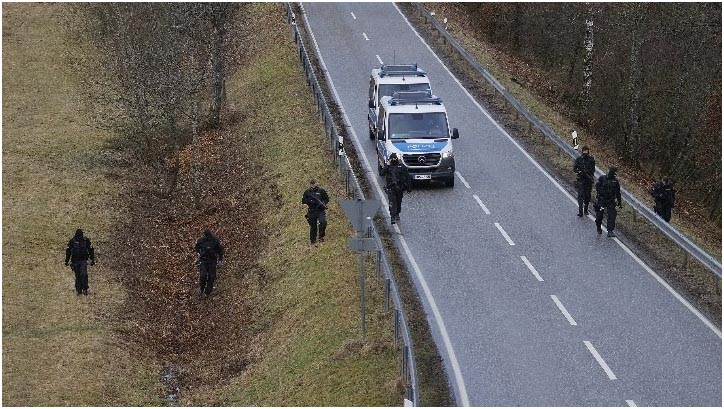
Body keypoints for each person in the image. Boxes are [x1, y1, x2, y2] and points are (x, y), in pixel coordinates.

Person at [380, 153, 412, 224]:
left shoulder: (402, 166)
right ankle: (393, 217)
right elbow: (381, 173)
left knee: (398, 202)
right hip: (391, 188)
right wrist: (387, 166)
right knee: (392, 203)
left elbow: (407, 177)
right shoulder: (388, 167)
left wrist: (409, 187)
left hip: (400, 188)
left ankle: (397, 214)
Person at [64, 229, 95, 295]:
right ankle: (79, 290)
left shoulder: (86, 240)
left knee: (83, 274)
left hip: (83, 260)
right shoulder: (73, 241)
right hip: (75, 261)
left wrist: (92, 259)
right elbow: (68, 251)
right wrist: (66, 261)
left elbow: (91, 250)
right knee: (78, 276)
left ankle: (85, 289)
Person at [195, 229, 224, 296]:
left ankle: (208, 291)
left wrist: (220, 260)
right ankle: (201, 289)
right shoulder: (200, 240)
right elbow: (196, 247)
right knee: (203, 276)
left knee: (211, 277)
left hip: (212, 260)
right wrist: (198, 253)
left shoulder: (215, 240)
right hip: (203, 260)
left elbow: (220, 250)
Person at [594, 167, 623, 237]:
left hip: (610, 201)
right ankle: (598, 227)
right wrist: (599, 194)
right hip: (602, 200)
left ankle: (610, 231)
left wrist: (619, 202)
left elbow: (618, 193)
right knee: (599, 215)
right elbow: (597, 186)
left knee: (612, 215)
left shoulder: (615, 182)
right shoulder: (602, 178)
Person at [301, 178, 329, 245]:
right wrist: (310, 201)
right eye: (315, 183)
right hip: (312, 211)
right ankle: (313, 240)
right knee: (313, 226)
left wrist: (323, 203)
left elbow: (326, 199)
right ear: (311, 184)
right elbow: (303, 201)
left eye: (317, 183)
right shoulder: (307, 192)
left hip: (320, 210)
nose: (317, 184)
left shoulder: (321, 191)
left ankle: (321, 237)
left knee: (323, 222)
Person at [573, 145, 596, 217]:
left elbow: (593, 170)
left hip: (588, 181)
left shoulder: (591, 160)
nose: (585, 152)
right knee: (580, 195)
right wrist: (579, 172)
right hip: (581, 180)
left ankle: (585, 209)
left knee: (587, 196)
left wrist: (588, 174)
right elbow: (574, 169)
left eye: (587, 151)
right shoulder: (579, 159)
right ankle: (580, 211)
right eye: (584, 151)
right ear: (582, 151)